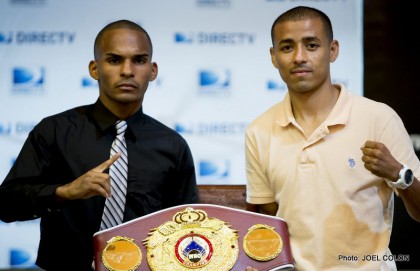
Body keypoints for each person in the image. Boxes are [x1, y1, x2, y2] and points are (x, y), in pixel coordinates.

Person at [0, 20, 199, 271]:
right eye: (114, 60)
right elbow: (5, 205)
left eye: (139, 60)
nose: (127, 71)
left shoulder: (172, 145)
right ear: (94, 69)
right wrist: (64, 192)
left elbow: (188, 228)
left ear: (153, 70)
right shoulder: (54, 132)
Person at [244, 6, 420, 271]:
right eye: (287, 47)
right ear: (273, 56)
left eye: (312, 45)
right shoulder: (259, 130)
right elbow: (269, 217)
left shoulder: (378, 118)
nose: (299, 57)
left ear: (333, 50)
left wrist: (398, 173)